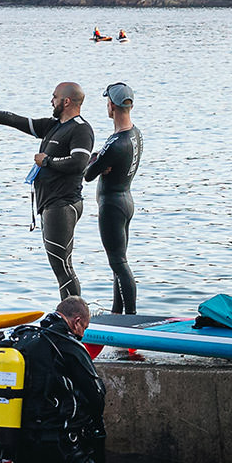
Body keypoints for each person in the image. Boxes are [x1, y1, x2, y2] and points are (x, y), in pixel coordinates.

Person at [0, 83, 96, 308]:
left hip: (62, 204)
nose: (51, 101)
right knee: (60, 266)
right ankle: (72, 315)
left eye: (54, 97)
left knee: (62, 266)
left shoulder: (81, 129)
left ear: (66, 102)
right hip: (52, 203)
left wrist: (48, 161)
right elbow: (15, 120)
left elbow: (79, 162)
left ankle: (75, 317)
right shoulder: (53, 125)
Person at [0, 296, 108, 463]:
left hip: (19, 442)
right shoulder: (68, 345)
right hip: (56, 442)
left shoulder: (21, 338)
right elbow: (96, 397)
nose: (83, 334)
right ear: (76, 322)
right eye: (84, 328)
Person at [84, 83, 143, 320]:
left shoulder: (116, 143)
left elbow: (88, 174)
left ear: (111, 106)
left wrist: (94, 159)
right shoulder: (135, 133)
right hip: (126, 200)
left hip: (112, 206)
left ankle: (130, 317)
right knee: (118, 262)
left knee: (118, 263)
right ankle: (117, 313)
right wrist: (101, 160)